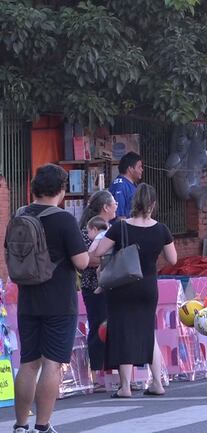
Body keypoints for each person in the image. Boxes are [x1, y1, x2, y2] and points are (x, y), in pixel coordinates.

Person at [8, 164, 89, 433]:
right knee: (52, 364)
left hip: (28, 299)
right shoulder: (64, 219)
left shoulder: (19, 215)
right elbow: (81, 261)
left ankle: (20, 426)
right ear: (62, 190)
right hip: (59, 301)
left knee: (28, 363)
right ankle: (42, 426)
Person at [93, 184, 177, 398]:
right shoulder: (161, 229)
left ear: (134, 202)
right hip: (148, 286)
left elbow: (100, 252)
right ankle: (157, 382)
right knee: (149, 333)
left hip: (123, 286)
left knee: (122, 332)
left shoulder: (120, 228)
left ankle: (125, 387)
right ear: (154, 205)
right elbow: (173, 259)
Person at [77, 190, 118, 388]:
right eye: (114, 203)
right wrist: (107, 255)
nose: (117, 206)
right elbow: (88, 260)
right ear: (106, 207)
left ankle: (115, 373)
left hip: (113, 286)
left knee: (115, 328)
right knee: (98, 327)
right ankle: (96, 373)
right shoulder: (88, 230)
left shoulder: (114, 228)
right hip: (93, 286)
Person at [108, 151, 143, 221]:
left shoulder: (128, 184)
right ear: (130, 169)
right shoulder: (120, 186)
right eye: (139, 167)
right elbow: (119, 217)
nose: (142, 170)